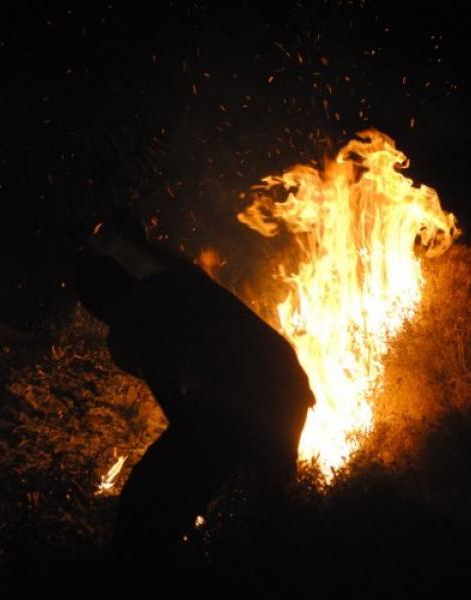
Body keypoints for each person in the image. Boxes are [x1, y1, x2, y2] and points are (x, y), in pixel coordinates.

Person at [71, 209, 315, 565]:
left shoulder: (135, 319)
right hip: (287, 386)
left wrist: (185, 469)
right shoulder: (174, 280)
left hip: (250, 398)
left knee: (144, 508)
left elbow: (180, 415)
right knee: (266, 511)